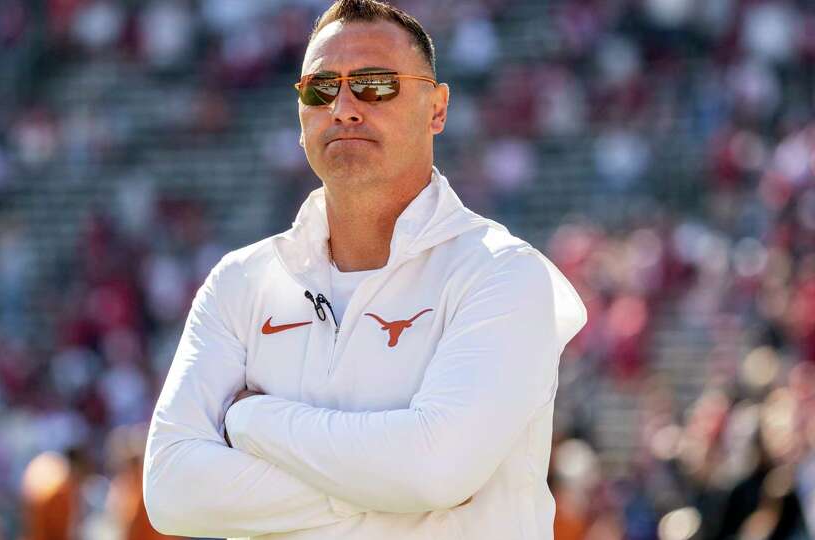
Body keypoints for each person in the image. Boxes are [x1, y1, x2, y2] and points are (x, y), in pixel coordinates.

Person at [143, 1, 587, 538]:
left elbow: (432, 471)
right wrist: (387, 494)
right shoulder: (239, 281)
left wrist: (248, 421)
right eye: (320, 88)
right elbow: (170, 492)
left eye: (376, 84)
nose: (344, 107)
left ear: (437, 108)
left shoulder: (504, 274)